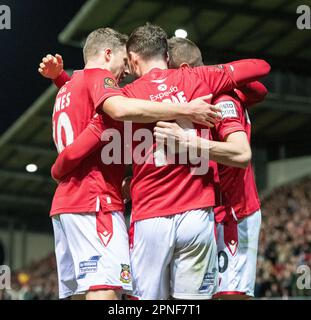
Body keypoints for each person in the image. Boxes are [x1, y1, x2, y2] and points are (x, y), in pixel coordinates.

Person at [40, 23, 270, 300]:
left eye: (128, 63)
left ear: (135, 59)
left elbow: (102, 109)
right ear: (169, 58)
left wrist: (62, 82)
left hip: (148, 215)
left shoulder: (127, 95)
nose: (124, 71)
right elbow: (260, 69)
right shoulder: (201, 79)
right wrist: (211, 77)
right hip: (198, 213)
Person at [155, 36, 266, 299]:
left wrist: (187, 142)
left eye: (166, 72)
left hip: (232, 212)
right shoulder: (194, 101)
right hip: (205, 212)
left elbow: (241, 153)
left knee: (229, 294)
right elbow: (259, 91)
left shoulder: (221, 98)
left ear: (183, 69)